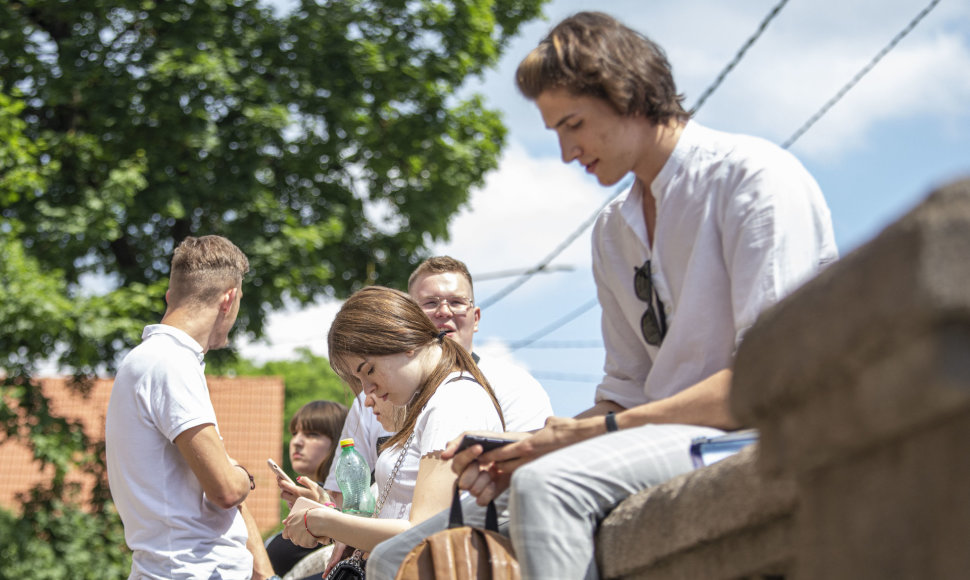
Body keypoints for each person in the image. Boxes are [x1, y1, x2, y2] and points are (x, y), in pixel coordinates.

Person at [368, 11, 839, 579]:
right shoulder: (613, 230)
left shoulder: (753, 180)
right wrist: (521, 445)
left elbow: (770, 380)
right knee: (394, 555)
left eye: (574, 124)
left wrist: (585, 435)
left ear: (630, 94)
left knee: (548, 487)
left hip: (751, 432)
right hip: (653, 440)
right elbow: (624, 392)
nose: (567, 152)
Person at [279, 256, 552, 504]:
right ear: (408, 319)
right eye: (430, 303)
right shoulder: (370, 396)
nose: (444, 312)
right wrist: (325, 509)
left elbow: (522, 476)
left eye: (456, 302)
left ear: (475, 317)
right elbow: (347, 496)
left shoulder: (504, 387)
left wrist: (331, 524)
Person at [279, 286, 506, 556]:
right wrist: (329, 515)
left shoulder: (452, 403)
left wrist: (323, 521)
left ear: (404, 340)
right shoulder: (435, 401)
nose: (368, 392)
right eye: (360, 381)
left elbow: (423, 534)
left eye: (369, 371)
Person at [105, 235, 274, 579]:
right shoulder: (172, 363)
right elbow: (225, 489)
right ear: (229, 299)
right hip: (193, 570)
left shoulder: (142, 361)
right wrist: (244, 476)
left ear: (170, 297)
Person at [265, 400, 348, 577]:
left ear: (339, 442)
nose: (297, 441)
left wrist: (324, 508)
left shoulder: (352, 505)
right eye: (295, 433)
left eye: (312, 434)